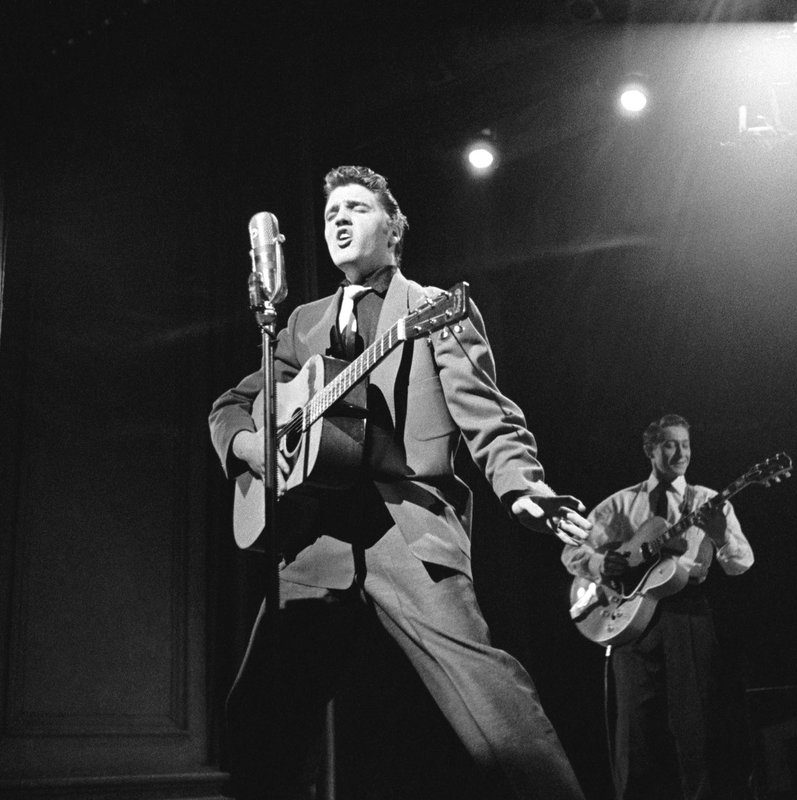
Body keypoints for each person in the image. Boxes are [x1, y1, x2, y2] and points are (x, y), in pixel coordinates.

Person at [209, 165, 592, 800]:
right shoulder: (298, 324)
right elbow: (231, 404)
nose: (338, 219)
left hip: (404, 531)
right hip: (314, 545)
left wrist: (525, 486)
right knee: (257, 722)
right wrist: (252, 446)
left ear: (394, 229)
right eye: (331, 211)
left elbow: (488, 415)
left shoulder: (433, 309)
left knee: (498, 717)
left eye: (356, 208)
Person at [561, 414, 755, 800]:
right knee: (633, 734)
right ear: (651, 450)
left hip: (688, 614)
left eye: (685, 444)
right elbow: (572, 549)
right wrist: (602, 564)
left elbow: (741, 563)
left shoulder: (707, 500)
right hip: (631, 619)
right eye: (669, 444)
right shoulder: (622, 503)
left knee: (695, 729)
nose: (680, 452)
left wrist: (718, 537)